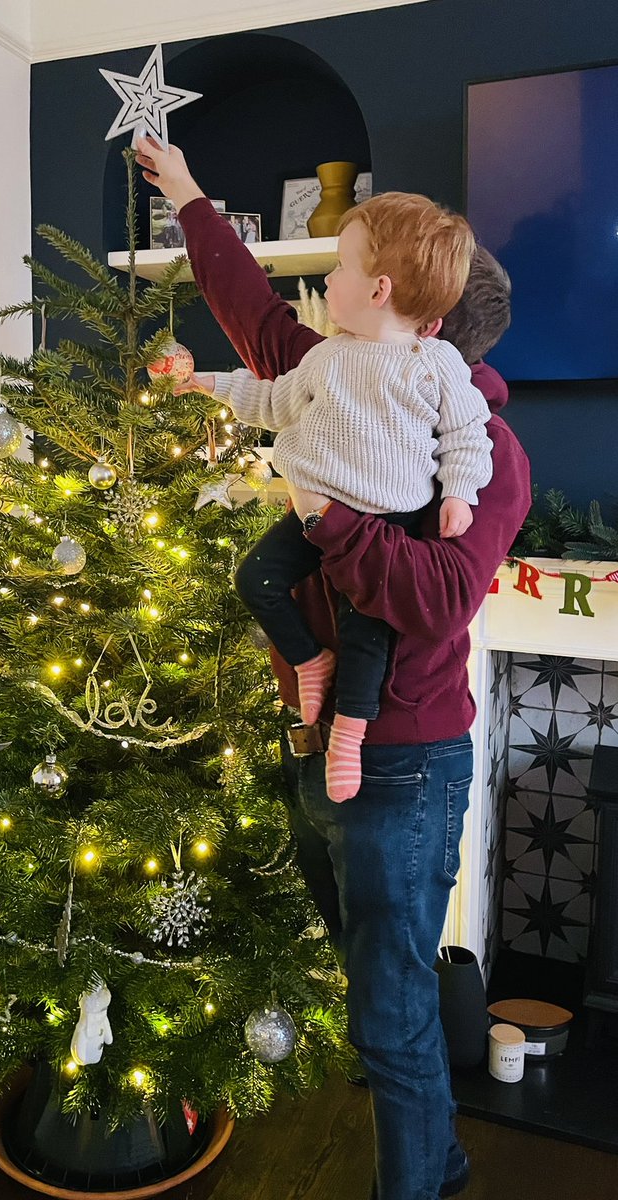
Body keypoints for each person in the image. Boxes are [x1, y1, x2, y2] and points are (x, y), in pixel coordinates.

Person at [136, 137, 530, 1200]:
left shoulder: (481, 451)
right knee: (375, 998)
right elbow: (255, 315)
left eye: (350, 280)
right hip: (319, 745)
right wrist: (185, 195)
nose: (328, 298)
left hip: (404, 764)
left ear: (418, 324)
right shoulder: (341, 381)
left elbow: (440, 600)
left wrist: (331, 521)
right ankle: (439, 1169)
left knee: (392, 1020)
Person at [179, 192, 493, 803]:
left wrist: (460, 492)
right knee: (257, 579)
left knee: (367, 636)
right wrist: (206, 382)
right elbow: (274, 400)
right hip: (311, 515)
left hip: (386, 521)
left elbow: (467, 434)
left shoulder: (435, 365)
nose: (328, 278)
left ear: (378, 289)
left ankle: (349, 732)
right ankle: (306, 660)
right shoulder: (327, 357)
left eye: (341, 266)